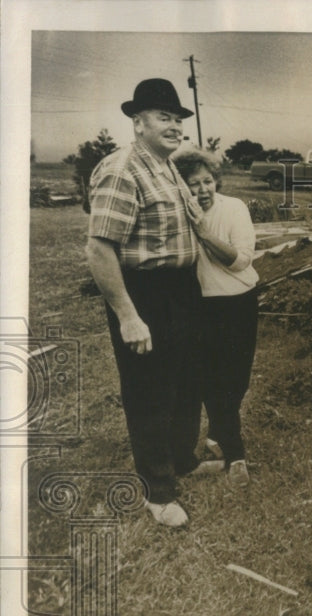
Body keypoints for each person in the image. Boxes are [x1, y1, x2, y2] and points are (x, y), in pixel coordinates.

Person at [86, 78, 220, 528]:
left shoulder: (166, 166)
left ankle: (182, 460)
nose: (176, 126)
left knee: (186, 380)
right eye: (165, 117)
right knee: (150, 390)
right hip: (144, 292)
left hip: (181, 287)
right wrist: (127, 315)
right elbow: (99, 248)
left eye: (179, 119)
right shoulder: (122, 169)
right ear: (137, 121)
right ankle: (158, 490)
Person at [173, 149, 259, 486]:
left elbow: (240, 261)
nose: (203, 189)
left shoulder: (234, 208)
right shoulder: (177, 217)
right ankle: (236, 454)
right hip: (202, 306)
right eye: (194, 185)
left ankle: (217, 434)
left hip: (240, 301)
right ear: (182, 189)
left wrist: (204, 233)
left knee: (238, 381)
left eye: (208, 181)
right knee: (213, 381)